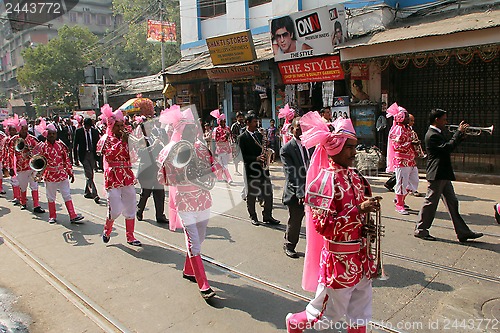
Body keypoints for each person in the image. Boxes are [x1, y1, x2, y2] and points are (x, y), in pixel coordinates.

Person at [285, 112, 380, 333]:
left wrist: (367, 219)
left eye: (355, 147)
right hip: (339, 263)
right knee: (326, 316)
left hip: (363, 258)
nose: (354, 153)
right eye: (349, 147)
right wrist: (358, 211)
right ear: (334, 148)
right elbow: (325, 227)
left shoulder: (357, 177)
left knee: (361, 313)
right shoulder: (322, 182)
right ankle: (294, 323)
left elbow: (359, 212)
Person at [157, 105, 217, 300]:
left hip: (203, 199)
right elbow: (164, 179)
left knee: (200, 237)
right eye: (189, 128)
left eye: (194, 128)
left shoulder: (201, 146)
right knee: (194, 242)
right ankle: (203, 284)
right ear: (181, 131)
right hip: (184, 202)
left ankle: (188, 270)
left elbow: (212, 167)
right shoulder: (171, 150)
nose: (193, 131)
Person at [414, 108, 483, 242]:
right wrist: (458, 133)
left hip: (443, 173)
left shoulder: (437, 132)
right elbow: (447, 148)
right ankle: (421, 229)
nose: (446, 122)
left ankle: (463, 232)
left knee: (452, 203)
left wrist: (460, 137)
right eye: (444, 119)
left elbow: (448, 146)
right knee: (430, 202)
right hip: (437, 173)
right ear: (437, 120)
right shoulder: (432, 134)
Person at [97, 104, 141, 246]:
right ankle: (107, 230)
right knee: (115, 210)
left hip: (127, 175)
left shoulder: (127, 139)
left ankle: (130, 236)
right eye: (117, 126)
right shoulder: (105, 140)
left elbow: (133, 157)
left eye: (122, 125)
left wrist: (131, 144)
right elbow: (109, 156)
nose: (121, 128)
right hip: (112, 177)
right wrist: (122, 142)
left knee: (131, 205)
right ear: (111, 126)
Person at [33, 120, 84, 224]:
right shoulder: (42, 147)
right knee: (51, 197)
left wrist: (70, 172)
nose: (52, 135)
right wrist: (38, 174)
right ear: (46, 134)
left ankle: (73, 215)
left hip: (62, 175)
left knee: (67, 195)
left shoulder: (61, 145)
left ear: (56, 134)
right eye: (50, 134)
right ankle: (52, 216)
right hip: (50, 176)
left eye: (53, 133)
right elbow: (38, 162)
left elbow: (67, 160)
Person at [238, 112, 280, 226]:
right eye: (254, 122)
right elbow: (241, 156)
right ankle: (253, 216)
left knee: (268, 194)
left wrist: (268, 152)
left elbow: (264, 148)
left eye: (257, 121)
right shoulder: (242, 138)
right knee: (251, 195)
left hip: (263, 169)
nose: (257, 124)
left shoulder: (259, 135)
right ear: (248, 123)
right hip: (251, 170)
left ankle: (267, 215)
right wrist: (255, 158)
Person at [280, 116, 311, 258]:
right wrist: (300, 193)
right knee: (296, 219)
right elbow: (291, 174)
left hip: (311, 189)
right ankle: (289, 245)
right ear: (292, 129)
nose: (301, 131)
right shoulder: (287, 149)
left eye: (304, 128)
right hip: (296, 191)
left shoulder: (310, 144)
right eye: (298, 128)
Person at [135, 119, 169, 224]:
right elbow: (141, 153)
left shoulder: (155, 138)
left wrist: (162, 146)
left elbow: (160, 152)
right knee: (146, 193)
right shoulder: (140, 140)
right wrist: (153, 146)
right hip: (146, 170)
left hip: (156, 170)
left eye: (150, 128)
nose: (149, 130)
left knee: (160, 193)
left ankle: (160, 215)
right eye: (147, 128)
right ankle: (139, 210)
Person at [7, 118, 45, 213]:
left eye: (26, 128)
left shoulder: (32, 139)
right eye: (22, 128)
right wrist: (10, 167)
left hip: (32, 167)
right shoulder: (13, 140)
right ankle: (23, 203)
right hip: (20, 168)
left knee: (34, 185)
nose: (24, 130)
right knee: (23, 186)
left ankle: (37, 205)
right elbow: (10, 154)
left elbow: (40, 150)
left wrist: (34, 152)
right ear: (19, 128)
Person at [386, 103, 417, 215]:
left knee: (414, 182)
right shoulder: (397, 130)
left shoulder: (408, 129)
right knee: (401, 183)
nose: (408, 119)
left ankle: (399, 199)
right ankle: (399, 204)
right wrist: (410, 143)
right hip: (401, 161)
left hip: (411, 160)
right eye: (407, 116)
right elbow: (397, 147)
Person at [73, 118, 100, 203]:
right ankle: (94, 194)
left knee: (90, 174)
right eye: (86, 126)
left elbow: (98, 144)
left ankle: (87, 192)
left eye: (89, 126)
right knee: (89, 174)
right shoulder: (79, 131)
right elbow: (75, 145)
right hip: (83, 155)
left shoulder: (95, 132)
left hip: (92, 154)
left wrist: (98, 158)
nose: (87, 128)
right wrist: (76, 158)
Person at [211, 109, 233, 185]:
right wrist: (224, 136)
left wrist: (232, 146)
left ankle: (219, 176)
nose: (223, 123)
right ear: (218, 122)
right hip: (220, 149)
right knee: (224, 164)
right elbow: (216, 140)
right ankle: (229, 178)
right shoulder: (216, 130)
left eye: (224, 121)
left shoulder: (228, 128)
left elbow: (231, 138)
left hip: (227, 149)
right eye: (221, 121)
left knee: (222, 164)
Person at [2, 116, 20, 203]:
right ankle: (16, 196)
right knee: (13, 179)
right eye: (11, 130)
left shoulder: (19, 139)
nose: (13, 132)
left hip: (20, 162)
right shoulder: (6, 139)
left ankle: (21, 196)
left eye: (14, 130)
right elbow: (4, 152)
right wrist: (5, 163)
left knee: (21, 180)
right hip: (11, 162)